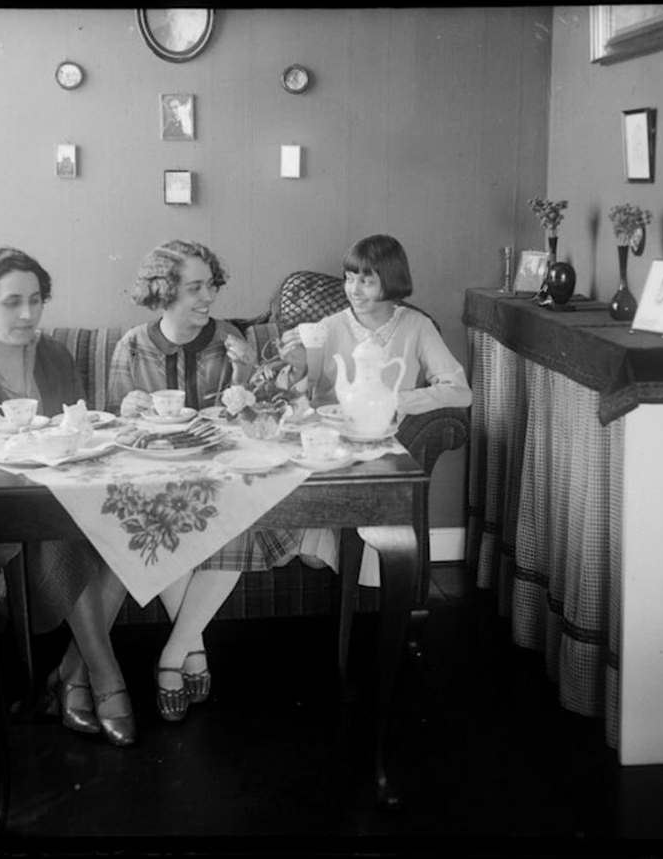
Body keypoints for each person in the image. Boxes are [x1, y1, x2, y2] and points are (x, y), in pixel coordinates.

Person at [0, 247, 135, 747]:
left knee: (130, 529)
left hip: (58, 498)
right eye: (12, 302)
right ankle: (107, 679)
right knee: (56, 533)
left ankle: (70, 676)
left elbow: (75, 435)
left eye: (35, 301)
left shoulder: (54, 354)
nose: (27, 314)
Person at [107, 239, 317, 723]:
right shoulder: (132, 346)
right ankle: (193, 651)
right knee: (157, 520)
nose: (208, 298)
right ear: (164, 292)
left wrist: (245, 372)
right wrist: (127, 408)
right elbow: (117, 433)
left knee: (235, 516)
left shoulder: (229, 339)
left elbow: (256, 419)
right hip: (157, 481)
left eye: (211, 286)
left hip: (221, 479)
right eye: (195, 288)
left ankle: (171, 656)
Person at [278, 234, 472, 584]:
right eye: (349, 278)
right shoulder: (327, 328)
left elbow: (459, 391)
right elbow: (301, 398)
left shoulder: (417, 326)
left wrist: (398, 401)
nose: (353, 290)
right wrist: (297, 367)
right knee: (313, 557)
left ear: (391, 280)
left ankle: (367, 555)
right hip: (332, 447)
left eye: (366, 281)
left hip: (384, 445)